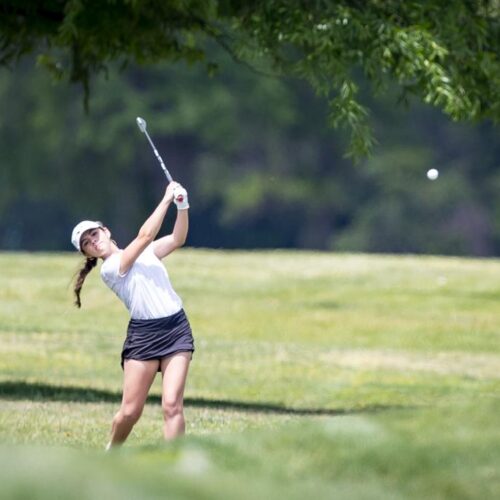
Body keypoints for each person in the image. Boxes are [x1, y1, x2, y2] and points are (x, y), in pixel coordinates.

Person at [71, 181, 194, 449]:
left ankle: (174, 462)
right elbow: (145, 236)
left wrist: (182, 206)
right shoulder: (110, 269)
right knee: (130, 412)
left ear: (105, 230)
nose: (94, 242)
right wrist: (165, 200)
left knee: (172, 404)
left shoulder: (145, 253)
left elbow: (177, 239)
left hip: (176, 329)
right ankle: (111, 453)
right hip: (144, 338)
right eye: (87, 244)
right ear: (86, 253)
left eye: (94, 234)